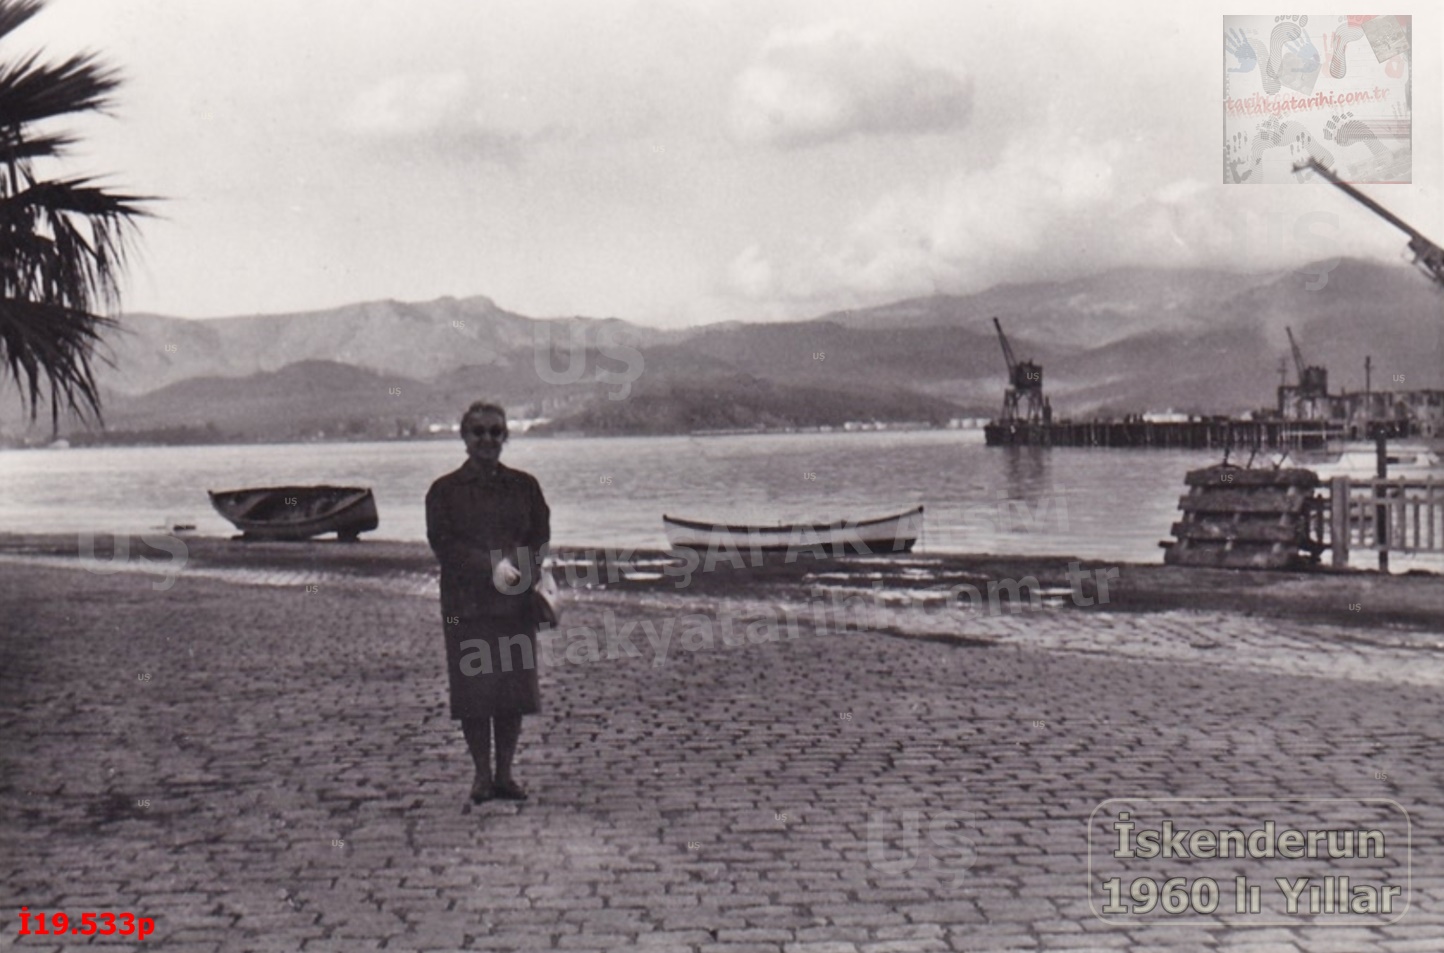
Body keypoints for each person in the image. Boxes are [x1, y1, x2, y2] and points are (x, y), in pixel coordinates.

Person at [426, 401, 550, 803]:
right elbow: (444, 544)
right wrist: (492, 567)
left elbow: (539, 536)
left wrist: (526, 573)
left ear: (506, 437)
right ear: (464, 437)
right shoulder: (444, 491)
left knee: (513, 691)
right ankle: (481, 775)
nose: (487, 440)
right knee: (474, 693)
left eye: (496, 432)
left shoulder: (525, 486)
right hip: (466, 605)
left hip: (515, 603)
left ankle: (505, 774)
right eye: (478, 432)